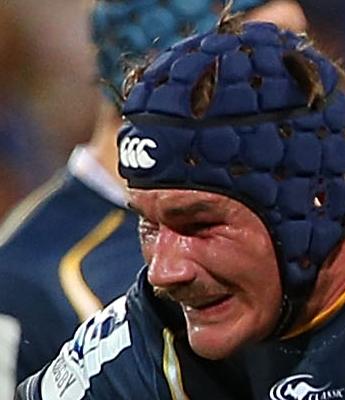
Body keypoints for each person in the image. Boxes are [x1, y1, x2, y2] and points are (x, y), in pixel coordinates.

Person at [16, 16, 345, 400]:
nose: (164, 270)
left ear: (316, 204)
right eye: (148, 224)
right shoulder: (157, 325)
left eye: (199, 224)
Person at [0, 0, 306, 396]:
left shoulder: (289, 229)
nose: (308, 100)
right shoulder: (42, 280)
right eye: (266, 67)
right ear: (163, 70)